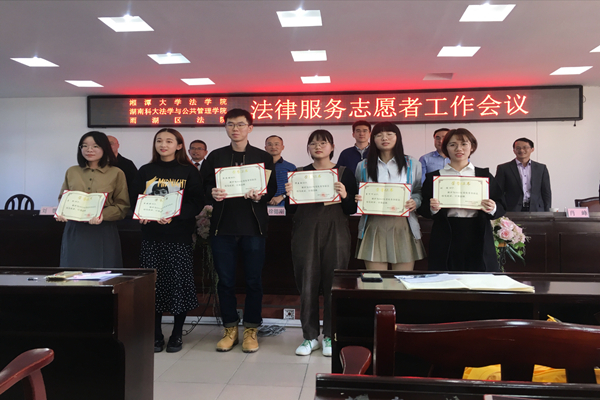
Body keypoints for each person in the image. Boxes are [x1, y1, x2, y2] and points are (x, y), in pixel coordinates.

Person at [200, 108, 276, 353]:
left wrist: (260, 196)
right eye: (230, 124)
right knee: (225, 281)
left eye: (241, 124)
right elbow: (202, 187)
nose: (235, 129)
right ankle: (230, 328)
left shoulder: (262, 157)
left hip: (253, 228)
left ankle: (251, 328)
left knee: (254, 281)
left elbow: (271, 190)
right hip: (222, 228)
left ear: (250, 128)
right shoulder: (216, 156)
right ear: (225, 127)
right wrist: (211, 193)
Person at [285, 129, 357, 357]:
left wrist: (344, 194)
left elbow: (351, 209)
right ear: (308, 148)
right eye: (313, 143)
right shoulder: (298, 173)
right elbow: (290, 210)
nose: (318, 147)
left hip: (336, 232)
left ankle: (329, 335)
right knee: (307, 283)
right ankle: (309, 337)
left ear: (332, 147)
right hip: (305, 232)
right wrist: (289, 194)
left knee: (333, 284)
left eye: (323, 143)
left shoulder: (344, 173)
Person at [134, 128, 202, 353]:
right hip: (151, 237)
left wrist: (175, 215)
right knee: (152, 287)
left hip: (178, 237)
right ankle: (155, 334)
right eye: (159, 140)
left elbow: (196, 202)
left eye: (169, 141)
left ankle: (176, 334)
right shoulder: (146, 170)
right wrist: (141, 213)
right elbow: (136, 198)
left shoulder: (189, 171)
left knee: (178, 285)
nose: (163, 145)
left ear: (179, 145)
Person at [418, 128, 506, 272]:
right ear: (446, 148)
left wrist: (493, 207)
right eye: (452, 145)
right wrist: (432, 208)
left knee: (478, 277)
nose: (459, 149)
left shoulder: (483, 175)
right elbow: (422, 208)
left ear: (472, 147)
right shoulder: (435, 177)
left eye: (464, 144)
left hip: (477, 232)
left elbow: (502, 205)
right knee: (444, 276)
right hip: (446, 232)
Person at [354, 122, 425, 271]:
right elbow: (358, 191)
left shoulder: (412, 163)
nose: (384, 138)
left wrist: (415, 202)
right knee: (376, 280)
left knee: (402, 279)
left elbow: (418, 190)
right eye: (379, 135)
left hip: (403, 224)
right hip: (373, 224)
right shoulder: (363, 166)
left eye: (389, 134)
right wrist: (358, 198)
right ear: (373, 139)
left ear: (397, 137)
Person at [56, 131, 129, 268]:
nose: (89, 150)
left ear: (104, 148)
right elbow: (62, 198)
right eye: (84, 146)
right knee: (72, 272)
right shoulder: (72, 171)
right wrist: (62, 211)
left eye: (95, 146)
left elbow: (122, 206)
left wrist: (101, 215)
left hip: (102, 229)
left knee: (104, 273)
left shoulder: (116, 173)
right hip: (75, 230)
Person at [495, 138, 551, 212]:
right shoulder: (504, 168)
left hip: (536, 210)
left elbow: (546, 192)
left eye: (525, 147)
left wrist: (547, 211)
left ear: (532, 149)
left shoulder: (541, 168)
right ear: (514, 151)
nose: (521, 150)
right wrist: (499, 210)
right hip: (511, 210)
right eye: (518, 148)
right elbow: (498, 192)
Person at [265, 135, 296, 206]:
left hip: (285, 206)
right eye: (270, 144)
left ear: (282, 147)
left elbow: (296, 188)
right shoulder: (260, 167)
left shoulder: (290, 167)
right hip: (263, 206)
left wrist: (282, 196)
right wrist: (266, 198)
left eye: (276, 144)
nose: (273, 147)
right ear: (265, 148)